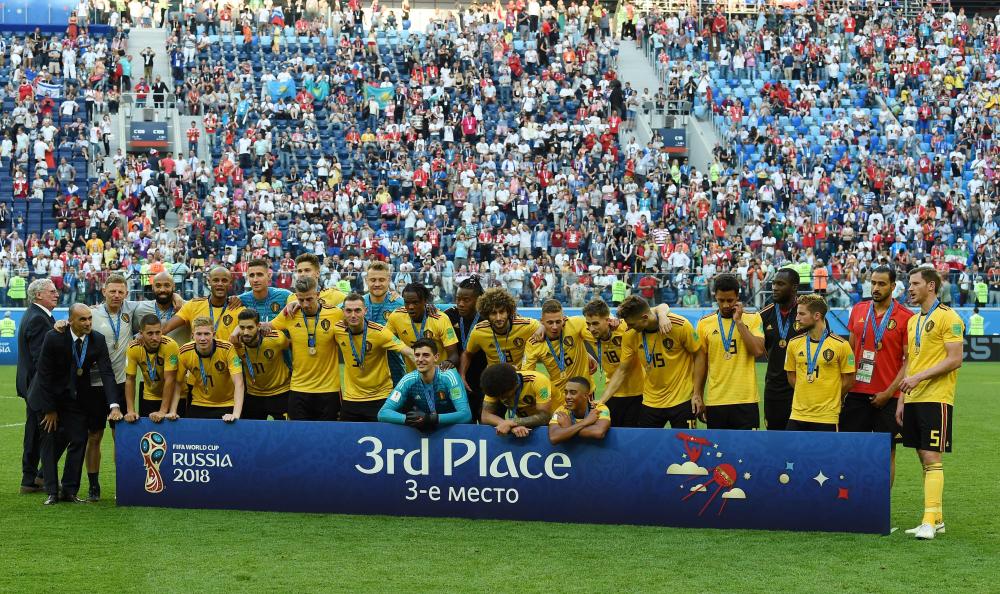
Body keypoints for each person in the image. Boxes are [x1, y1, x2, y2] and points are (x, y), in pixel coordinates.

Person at [28, 304, 120, 505]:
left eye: (89, 318)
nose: (88, 323)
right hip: (46, 397)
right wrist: (50, 409)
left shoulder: (97, 339)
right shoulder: (54, 337)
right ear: (71, 320)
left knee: (79, 439)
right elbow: (44, 375)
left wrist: (114, 404)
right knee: (50, 441)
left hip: (74, 399)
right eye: (82, 319)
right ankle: (52, 491)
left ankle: (69, 491)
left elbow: (106, 373)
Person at [898, 267, 964, 540]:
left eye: (915, 284)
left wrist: (918, 379)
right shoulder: (914, 321)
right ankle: (936, 520)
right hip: (914, 397)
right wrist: (902, 398)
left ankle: (928, 520)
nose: (910, 288)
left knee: (931, 456)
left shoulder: (949, 317)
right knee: (922, 458)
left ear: (931, 287)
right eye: (909, 284)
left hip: (936, 397)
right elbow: (910, 363)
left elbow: (955, 359)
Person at [842, 265, 913, 485]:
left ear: (893, 286)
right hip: (856, 392)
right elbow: (850, 352)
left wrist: (889, 392)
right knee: (851, 450)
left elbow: (908, 361)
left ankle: (882, 507)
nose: (875, 287)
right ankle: (851, 499)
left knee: (887, 453)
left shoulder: (906, 317)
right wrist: (844, 387)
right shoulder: (858, 310)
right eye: (873, 282)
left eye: (881, 283)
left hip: (889, 396)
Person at [603, 296, 701, 428]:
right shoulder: (630, 335)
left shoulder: (680, 325)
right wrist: (602, 401)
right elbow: (622, 370)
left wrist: (697, 393)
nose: (629, 327)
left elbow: (698, 354)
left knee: (685, 447)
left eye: (632, 324)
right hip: (651, 401)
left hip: (682, 399)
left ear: (644, 318)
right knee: (645, 446)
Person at [83, 273, 139, 501]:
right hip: (95, 384)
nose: (116, 295)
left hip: (122, 383)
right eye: (112, 291)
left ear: (126, 293)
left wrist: (175, 296)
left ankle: (122, 483)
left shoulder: (131, 310)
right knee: (94, 435)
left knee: (121, 436)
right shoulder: (92, 314)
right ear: (104, 291)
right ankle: (93, 485)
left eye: (121, 291)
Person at [582, 297, 672, 427]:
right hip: (612, 392)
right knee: (614, 435)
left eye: (595, 323)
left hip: (638, 392)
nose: (591, 328)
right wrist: (588, 355)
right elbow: (564, 325)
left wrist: (663, 316)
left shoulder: (627, 325)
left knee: (634, 436)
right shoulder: (586, 331)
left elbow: (660, 306)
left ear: (608, 320)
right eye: (588, 324)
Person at [694, 273, 765, 429]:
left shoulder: (753, 318)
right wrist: (697, 394)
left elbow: (758, 351)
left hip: (746, 400)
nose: (725, 305)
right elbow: (701, 363)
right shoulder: (704, 324)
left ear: (737, 297)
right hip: (716, 400)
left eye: (730, 300)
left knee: (748, 452)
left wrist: (739, 322)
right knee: (718, 452)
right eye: (721, 300)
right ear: (715, 297)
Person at [271, 275, 344, 421]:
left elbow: (355, 308)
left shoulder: (336, 313)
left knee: (328, 438)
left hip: (329, 390)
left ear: (317, 295)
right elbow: (266, 327)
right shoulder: (289, 314)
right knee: (298, 439)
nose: (305, 304)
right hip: (299, 389)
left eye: (309, 299)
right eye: (301, 299)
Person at [334, 293, 416, 421]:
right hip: (351, 398)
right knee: (347, 439)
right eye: (349, 311)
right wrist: (295, 304)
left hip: (379, 397)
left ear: (365, 311)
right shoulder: (337, 330)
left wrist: (432, 371)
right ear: (343, 311)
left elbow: (408, 352)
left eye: (357, 310)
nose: (353, 315)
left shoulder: (379, 332)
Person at [784, 295, 855, 431]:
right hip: (798, 415)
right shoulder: (793, 344)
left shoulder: (841, 345)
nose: (797, 318)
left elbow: (849, 380)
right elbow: (791, 376)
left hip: (827, 417)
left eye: (801, 314)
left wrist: (831, 397)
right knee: (791, 453)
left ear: (817, 316)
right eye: (797, 313)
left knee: (825, 453)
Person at [16, 279, 59, 494]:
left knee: (34, 431)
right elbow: (41, 361)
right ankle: (43, 478)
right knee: (49, 432)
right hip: (38, 387)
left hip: (32, 385)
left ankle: (30, 478)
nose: (57, 294)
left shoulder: (36, 315)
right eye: (52, 291)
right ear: (39, 295)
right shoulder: (38, 319)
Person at [521, 299, 596, 414]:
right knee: (564, 428)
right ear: (542, 322)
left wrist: (586, 354)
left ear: (563, 319)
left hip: (585, 391)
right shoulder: (533, 343)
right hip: (559, 396)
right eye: (550, 323)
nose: (555, 327)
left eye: (558, 322)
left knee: (588, 425)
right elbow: (528, 374)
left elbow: (598, 327)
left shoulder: (574, 324)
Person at [378, 338, 472, 429]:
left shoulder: (449, 377)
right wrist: (408, 419)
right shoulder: (408, 380)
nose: (420, 359)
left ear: (436, 357)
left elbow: (466, 415)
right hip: (424, 432)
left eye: (426, 355)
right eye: (417, 355)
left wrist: (430, 418)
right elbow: (383, 413)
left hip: (451, 431)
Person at [460, 288, 540, 389]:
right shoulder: (479, 331)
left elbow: (545, 326)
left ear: (509, 312)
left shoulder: (526, 325)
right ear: (487, 315)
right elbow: (467, 353)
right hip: (495, 382)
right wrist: (461, 376)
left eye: (502, 312)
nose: (498, 318)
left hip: (522, 380)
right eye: (493, 313)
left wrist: (542, 329)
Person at [759, 268, 806, 430]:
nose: (774, 288)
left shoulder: (808, 313)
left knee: (801, 442)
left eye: (780, 284)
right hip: (774, 390)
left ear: (794, 287)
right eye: (773, 283)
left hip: (803, 388)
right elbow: (761, 349)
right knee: (775, 441)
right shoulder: (764, 316)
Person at [173, 316, 244, 421]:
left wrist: (236, 415)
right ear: (193, 335)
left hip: (227, 403)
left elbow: (239, 383)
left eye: (206, 334)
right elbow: (177, 383)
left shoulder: (227, 348)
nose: (203, 338)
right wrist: (173, 411)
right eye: (199, 334)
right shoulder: (184, 351)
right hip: (199, 402)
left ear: (213, 335)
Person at [387, 282, 458, 372]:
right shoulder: (396, 316)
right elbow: (385, 338)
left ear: (425, 301)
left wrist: (446, 364)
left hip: (437, 374)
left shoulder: (440, 319)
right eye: (407, 302)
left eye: (415, 302)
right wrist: (403, 348)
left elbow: (454, 355)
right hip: (413, 377)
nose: (410, 307)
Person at [233, 309, 291, 420]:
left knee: (283, 434)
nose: (246, 332)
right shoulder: (236, 344)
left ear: (258, 326)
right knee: (251, 434)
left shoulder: (276, 339)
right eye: (242, 328)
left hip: (280, 392)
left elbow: (291, 346)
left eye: (250, 328)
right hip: (253, 394)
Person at [445, 275, 487, 423]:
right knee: (463, 424)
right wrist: (429, 309)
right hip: (456, 381)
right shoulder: (450, 315)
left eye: (466, 300)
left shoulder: (487, 318)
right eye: (458, 299)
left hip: (483, 381)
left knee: (484, 423)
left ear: (479, 300)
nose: (460, 304)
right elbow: (432, 319)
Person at [164, 266, 245, 342]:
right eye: (216, 280)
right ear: (209, 281)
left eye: (224, 280)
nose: (220, 284)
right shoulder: (193, 305)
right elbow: (166, 328)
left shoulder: (239, 310)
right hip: (198, 356)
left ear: (230, 283)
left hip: (226, 356)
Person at [123, 314, 179, 422]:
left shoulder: (170, 346)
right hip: (150, 395)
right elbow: (130, 379)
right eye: (150, 333)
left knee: (174, 437)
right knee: (148, 435)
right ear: (141, 333)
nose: (155, 337)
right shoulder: (133, 348)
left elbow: (170, 379)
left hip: (172, 397)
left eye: (158, 332)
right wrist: (130, 410)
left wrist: (163, 411)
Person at [479, 362, 553, 437]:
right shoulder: (495, 385)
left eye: (503, 396)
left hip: (555, 422)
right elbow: (485, 416)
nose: (500, 399)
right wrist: (507, 424)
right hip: (527, 423)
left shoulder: (538, 381)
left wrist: (513, 422)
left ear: (515, 385)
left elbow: (545, 417)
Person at [364, 261, 405, 383]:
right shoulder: (358, 304)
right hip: (365, 373)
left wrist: (430, 307)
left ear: (389, 280)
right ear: (366, 280)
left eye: (381, 280)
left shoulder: (400, 304)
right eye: (373, 280)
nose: (377, 284)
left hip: (394, 374)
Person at [548, 376, 611, 444]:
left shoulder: (599, 409)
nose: (567, 397)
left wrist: (568, 428)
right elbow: (554, 437)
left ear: (586, 395)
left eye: (573, 392)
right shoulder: (561, 411)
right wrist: (585, 422)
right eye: (566, 392)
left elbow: (599, 432)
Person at [238, 258, 292, 322]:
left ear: (269, 276)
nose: (255, 280)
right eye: (251, 275)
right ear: (248, 278)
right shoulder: (240, 300)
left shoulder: (285, 295)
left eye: (260, 275)